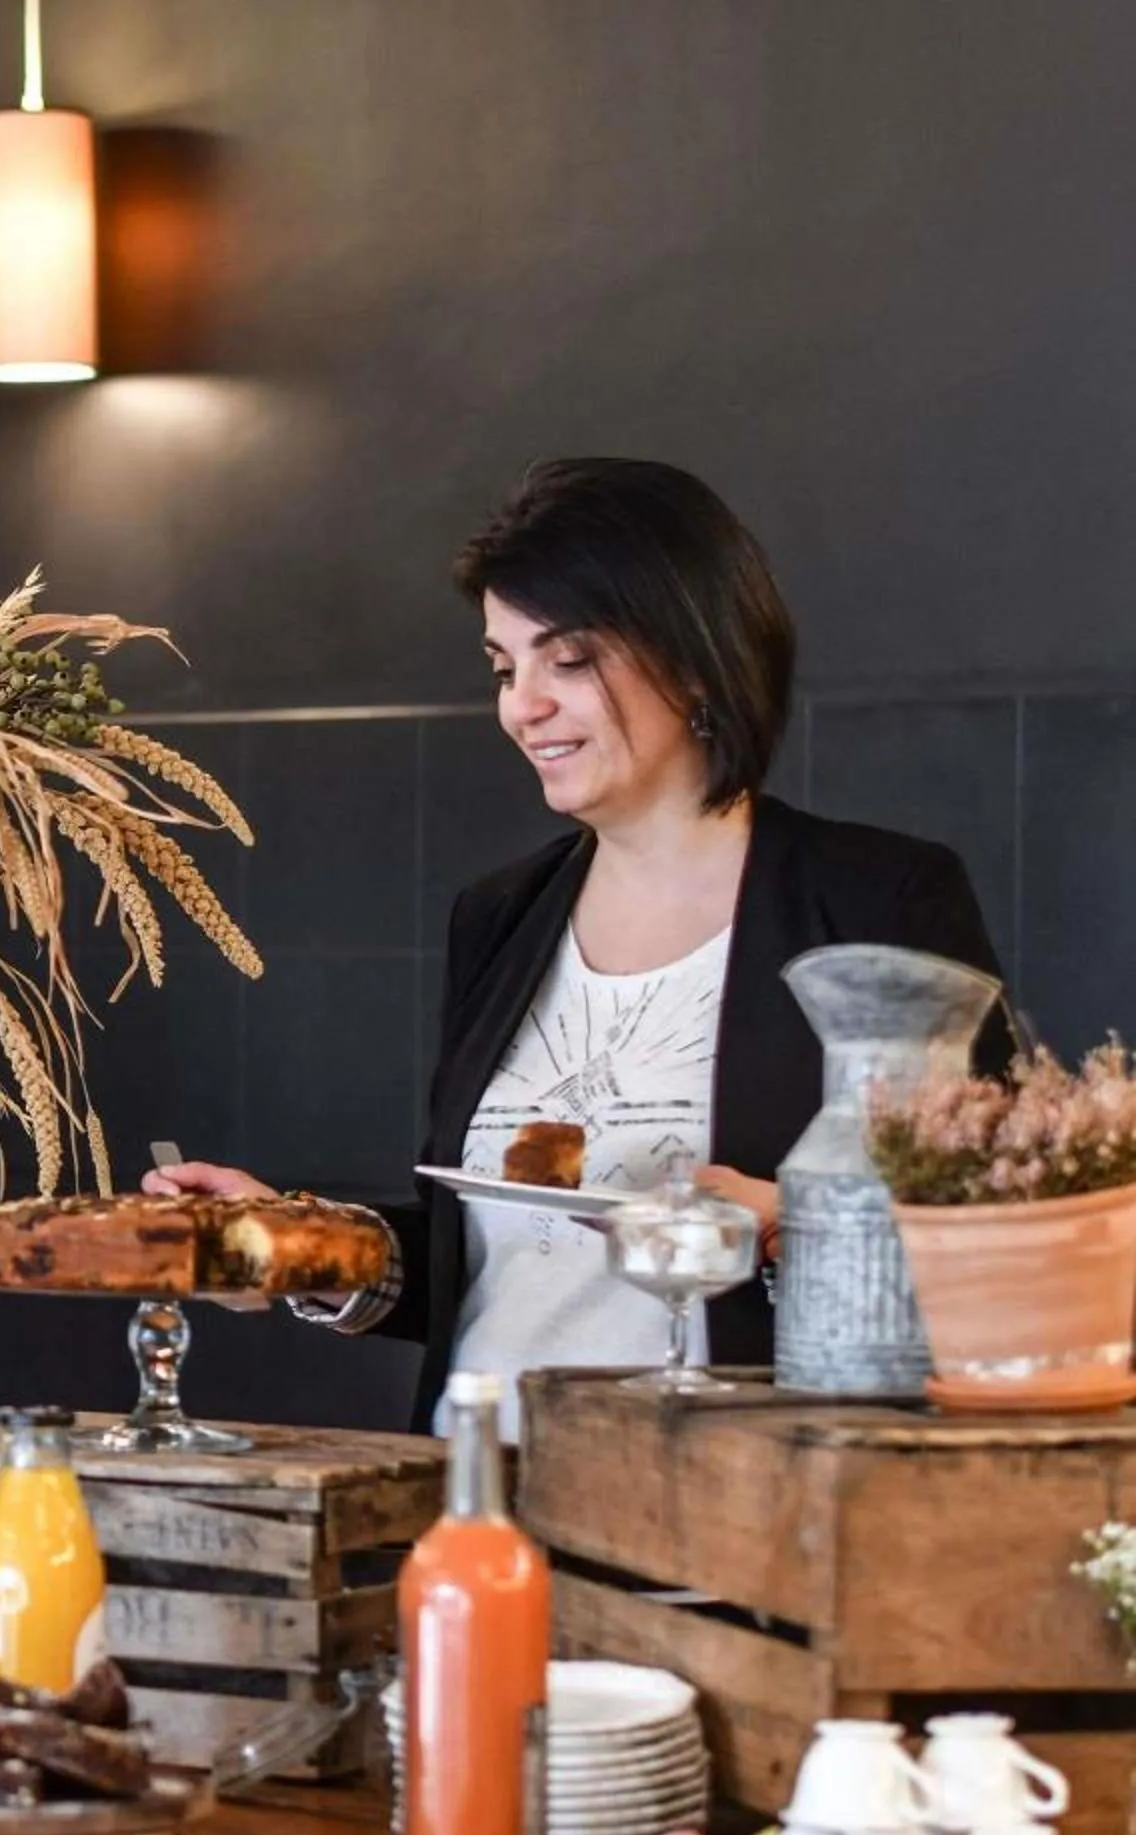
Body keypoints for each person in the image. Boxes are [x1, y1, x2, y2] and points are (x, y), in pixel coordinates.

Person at [148, 459, 1006, 1435]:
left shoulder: (876, 897)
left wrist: (788, 1221)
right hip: (478, 1496)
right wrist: (293, 1241)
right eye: (505, 668)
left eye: (570, 661)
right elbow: (489, 1257)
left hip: (741, 1512)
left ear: (693, 658)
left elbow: (1007, 1230)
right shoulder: (502, 915)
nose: (523, 705)